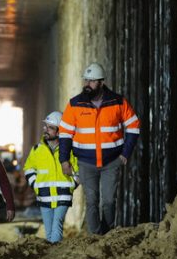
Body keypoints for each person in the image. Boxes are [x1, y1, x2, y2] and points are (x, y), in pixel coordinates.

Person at [58, 62, 140, 235]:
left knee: (109, 201)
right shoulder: (75, 104)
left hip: (111, 162)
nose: (87, 84)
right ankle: (95, 236)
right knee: (92, 200)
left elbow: (133, 126)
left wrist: (125, 154)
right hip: (86, 163)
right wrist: (64, 159)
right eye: (86, 80)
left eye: (92, 81)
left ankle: (107, 233)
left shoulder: (118, 102)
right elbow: (65, 133)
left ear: (101, 83)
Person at [24, 112, 79, 243]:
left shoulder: (70, 150)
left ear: (59, 132)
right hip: (44, 195)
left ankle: (55, 255)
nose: (45, 130)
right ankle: (53, 258)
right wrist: (35, 185)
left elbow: (79, 171)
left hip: (63, 195)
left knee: (57, 226)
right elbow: (28, 169)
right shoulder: (37, 149)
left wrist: (71, 185)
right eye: (45, 126)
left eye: (50, 127)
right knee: (48, 231)